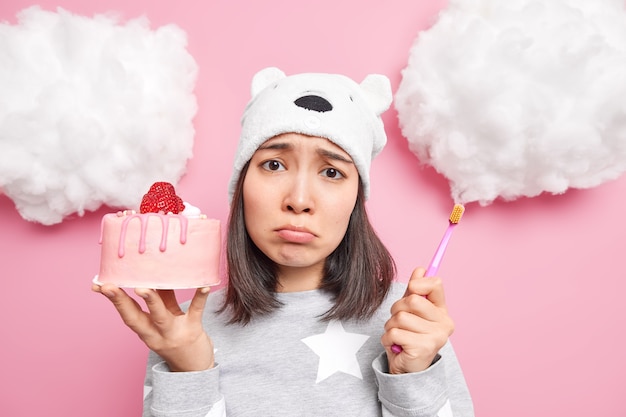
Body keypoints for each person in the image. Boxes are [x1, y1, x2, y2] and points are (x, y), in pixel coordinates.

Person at [93, 67, 474, 416]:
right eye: (273, 164)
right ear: (241, 185)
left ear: (356, 199)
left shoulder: (408, 321)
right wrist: (189, 368)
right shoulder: (184, 326)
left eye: (331, 171)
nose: (299, 199)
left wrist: (411, 377)